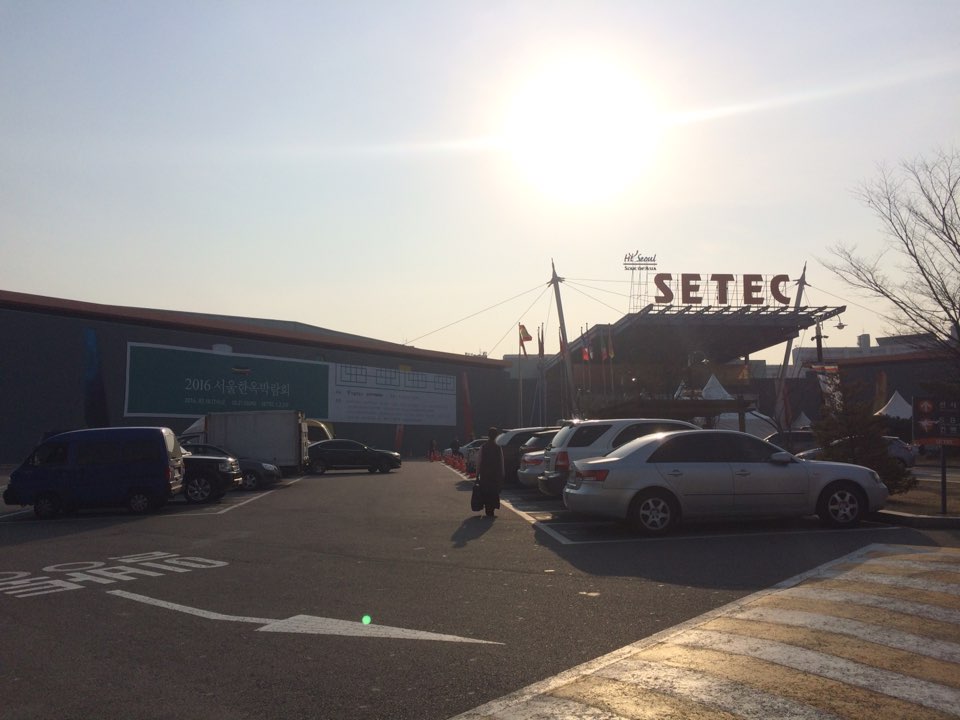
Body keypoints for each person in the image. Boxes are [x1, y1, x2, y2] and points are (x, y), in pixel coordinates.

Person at [475, 428, 504, 517]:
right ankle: (492, 508)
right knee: (494, 492)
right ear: (496, 436)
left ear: (488, 435)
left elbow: (479, 461)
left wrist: (477, 474)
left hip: (485, 474)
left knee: (486, 491)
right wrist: (502, 474)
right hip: (495, 474)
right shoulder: (498, 447)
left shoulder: (483, 447)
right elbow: (501, 462)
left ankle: (488, 508)